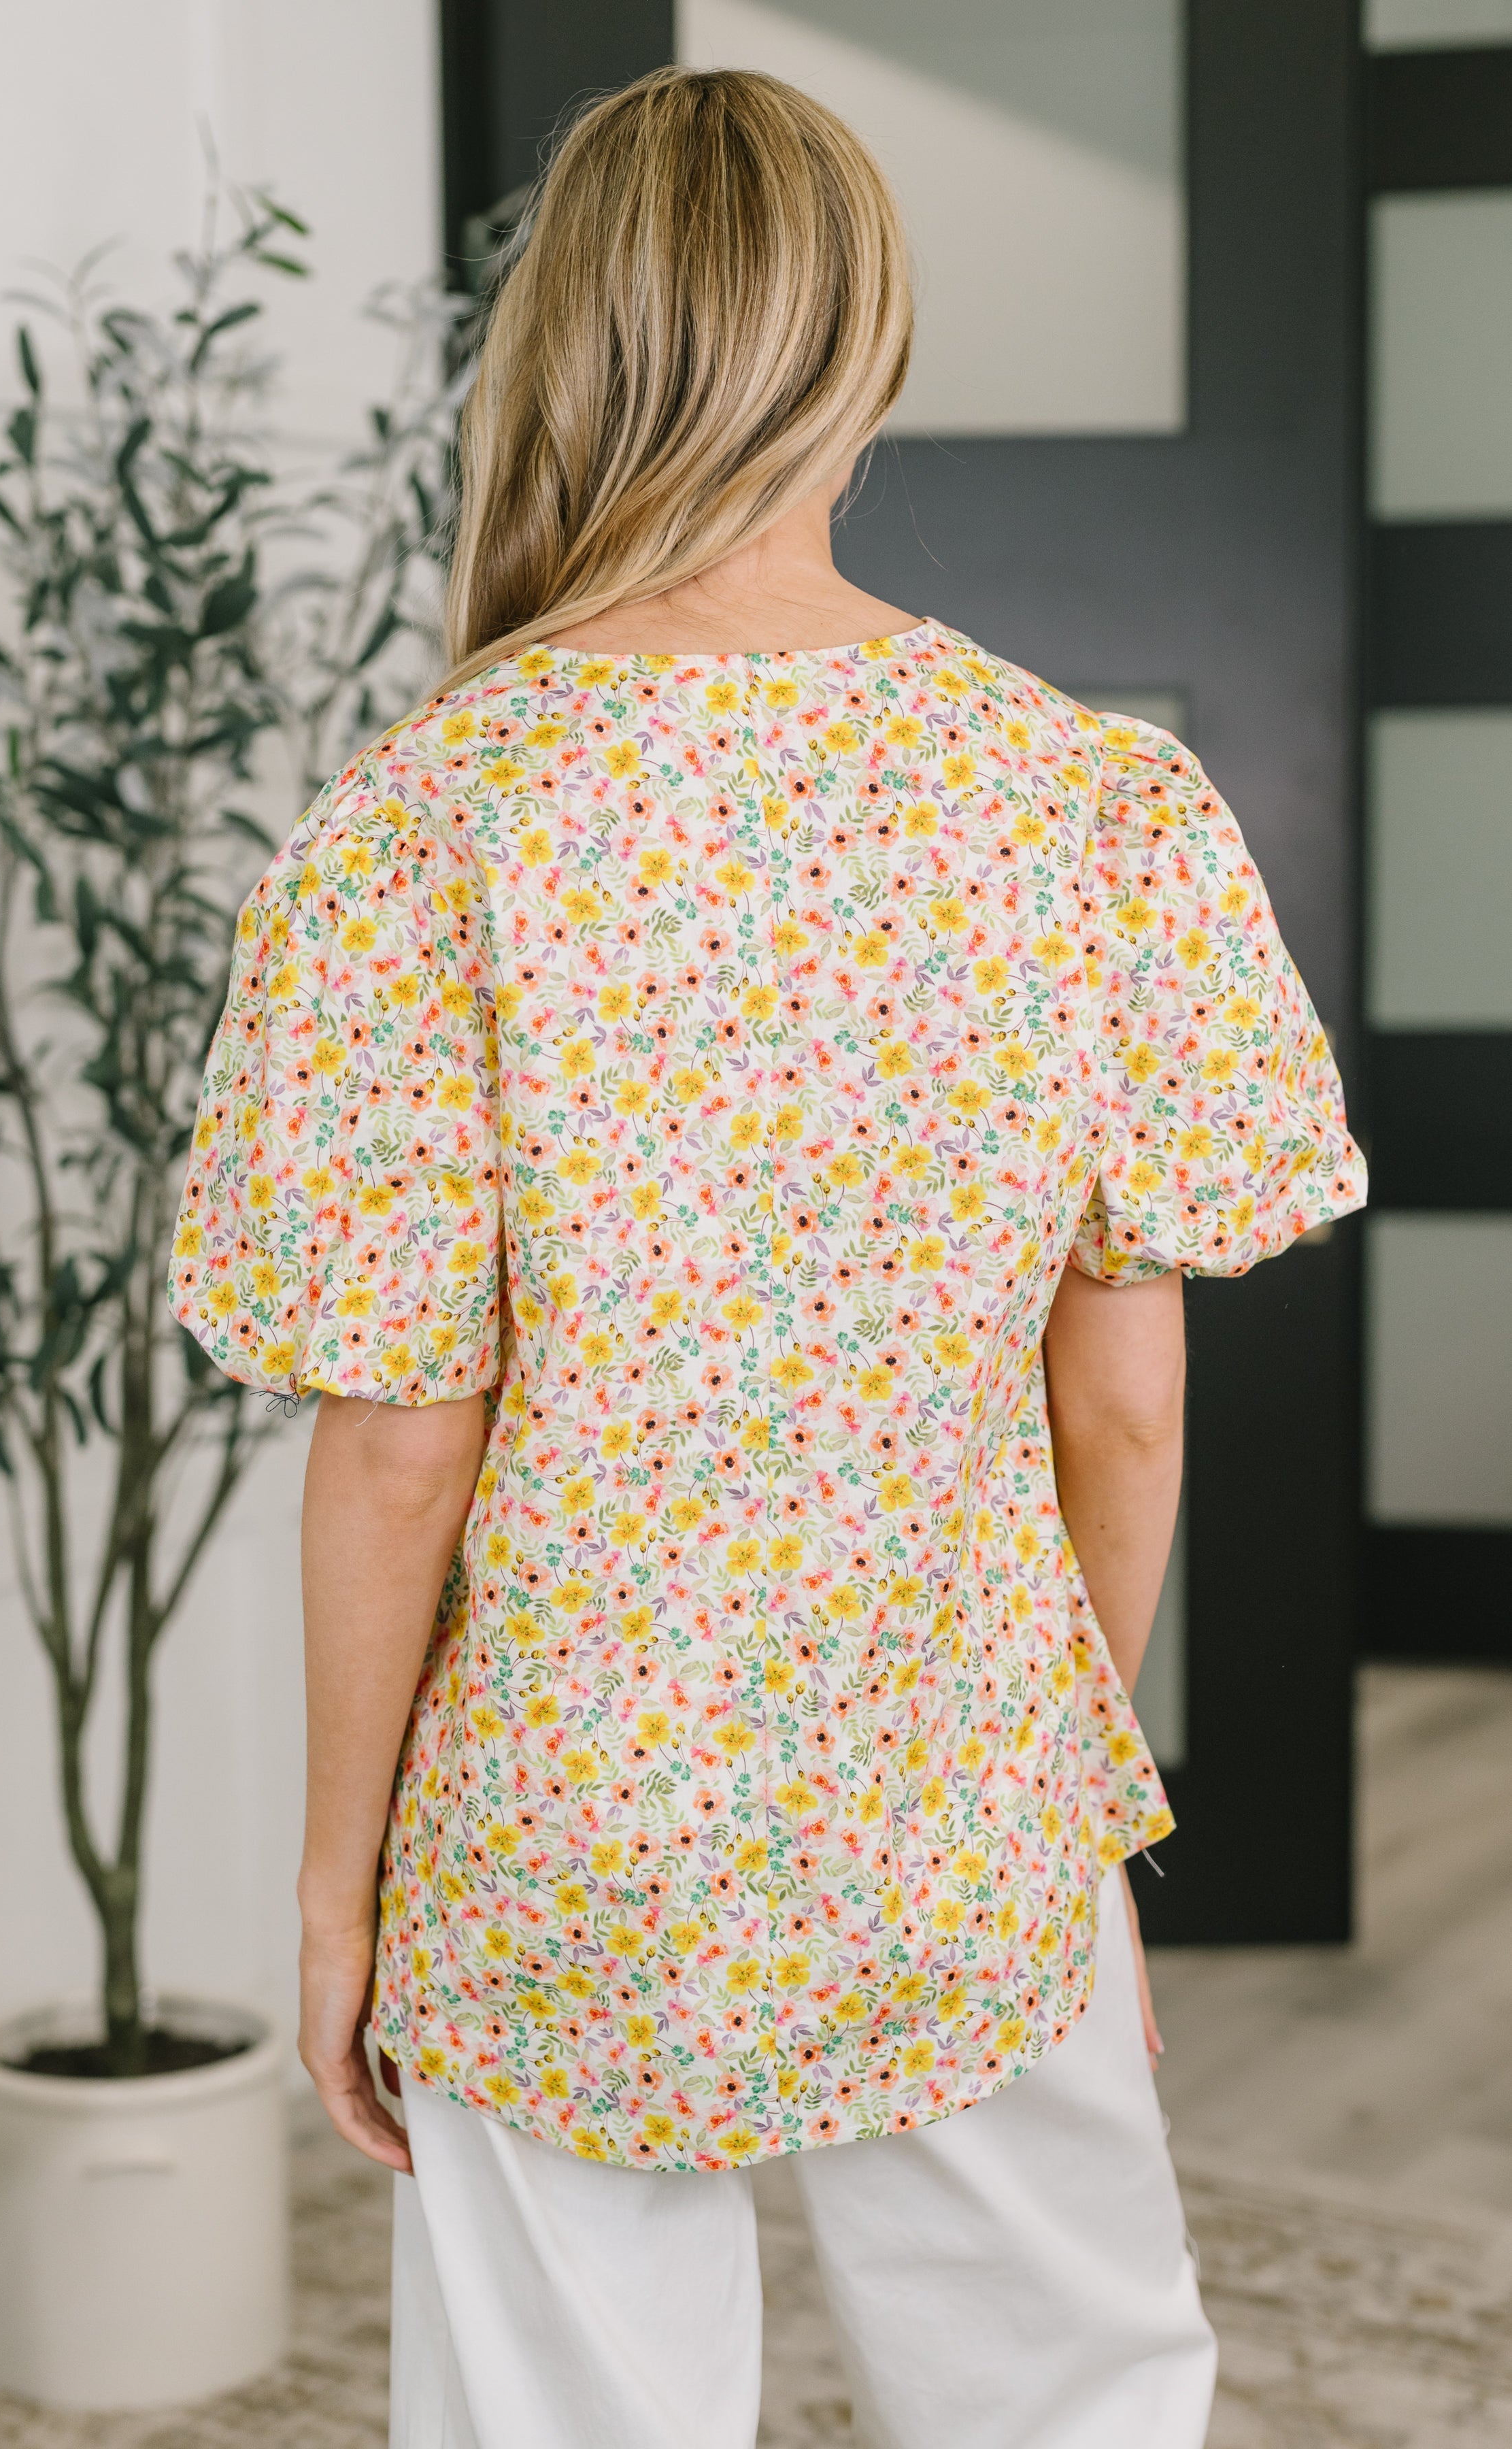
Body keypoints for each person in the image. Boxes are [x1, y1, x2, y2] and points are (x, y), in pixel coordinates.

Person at [170, 64, 1365, 2449]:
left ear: (563, 350)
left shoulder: (423, 822)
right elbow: (1122, 1406)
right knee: (1073, 2393)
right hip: (963, 1784)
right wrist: (1066, 1798)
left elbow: (398, 1451)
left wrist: (337, 1886)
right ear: (870, 352)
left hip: (559, 1817)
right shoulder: (1091, 802)